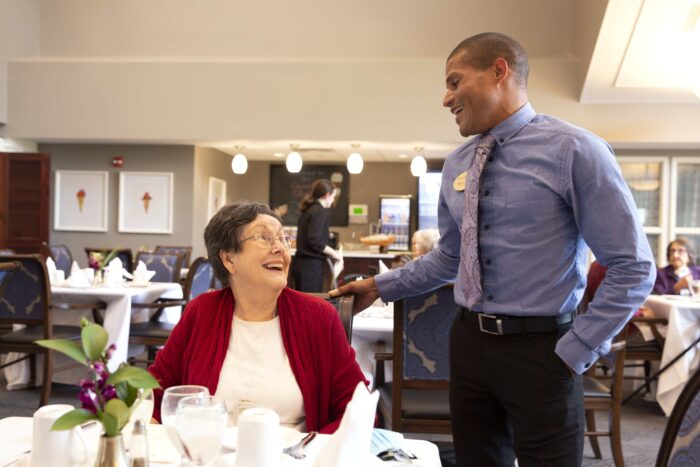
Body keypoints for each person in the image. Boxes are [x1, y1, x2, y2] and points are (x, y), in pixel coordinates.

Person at [331, 32, 655, 466]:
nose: (446, 99)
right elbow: (450, 257)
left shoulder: (574, 150)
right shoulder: (457, 164)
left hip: (545, 350)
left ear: (498, 71)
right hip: (468, 344)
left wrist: (577, 349)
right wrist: (380, 284)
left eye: (454, 81)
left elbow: (632, 267)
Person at [149, 201, 366, 433]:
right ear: (229, 259)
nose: (281, 249)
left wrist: (310, 453)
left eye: (283, 239)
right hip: (210, 453)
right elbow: (156, 391)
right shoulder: (202, 312)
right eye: (264, 238)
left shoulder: (318, 317)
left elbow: (358, 409)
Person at [293, 179, 342, 292]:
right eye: (333, 196)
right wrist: (335, 254)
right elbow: (314, 240)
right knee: (309, 306)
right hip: (310, 268)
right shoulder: (320, 212)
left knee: (302, 304)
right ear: (327, 195)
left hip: (301, 265)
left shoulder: (308, 210)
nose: (333, 200)